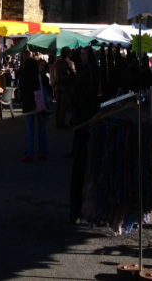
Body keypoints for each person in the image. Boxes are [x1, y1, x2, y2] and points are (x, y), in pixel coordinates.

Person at [69, 46, 100, 223]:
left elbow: (90, 91)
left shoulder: (92, 70)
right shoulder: (83, 68)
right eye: (81, 54)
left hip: (85, 114)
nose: (81, 56)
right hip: (80, 112)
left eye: (83, 54)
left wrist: (82, 103)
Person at [19, 56, 52, 163]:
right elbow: (49, 89)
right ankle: (43, 152)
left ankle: (30, 154)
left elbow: (21, 89)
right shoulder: (40, 77)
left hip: (28, 105)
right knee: (42, 129)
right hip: (40, 104)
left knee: (30, 130)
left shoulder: (24, 77)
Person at [54, 47, 76, 129]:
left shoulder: (57, 62)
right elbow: (74, 74)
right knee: (63, 105)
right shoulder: (70, 63)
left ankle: (57, 122)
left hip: (57, 85)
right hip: (66, 86)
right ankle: (62, 122)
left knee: (58, 105)